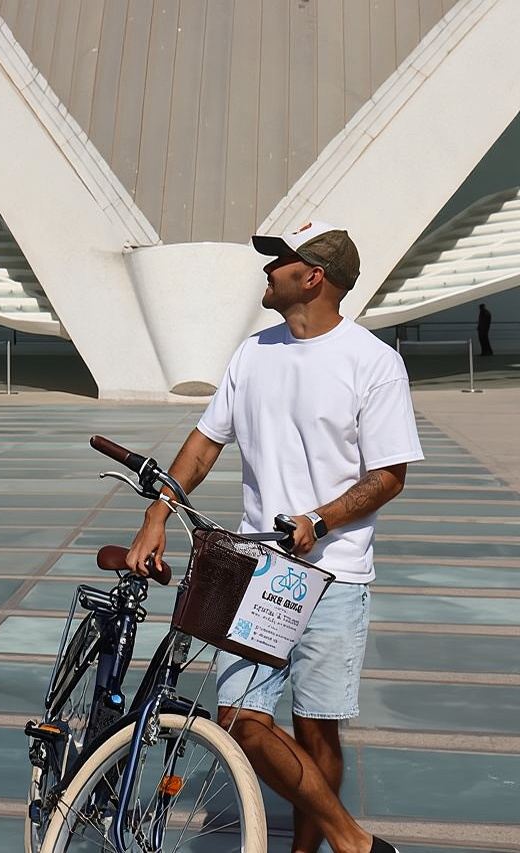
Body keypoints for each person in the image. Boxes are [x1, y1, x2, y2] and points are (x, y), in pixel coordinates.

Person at [126, 222, 421, 853]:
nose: (266, 271)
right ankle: (355, 843)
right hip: (257, 573)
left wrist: (323, 517)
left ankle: (308, 850)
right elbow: (205, 446)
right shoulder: (253, 352)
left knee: (318, 733)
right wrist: (158, 514)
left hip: (335, 573)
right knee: (239, 721)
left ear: (313, 276)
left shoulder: (372, 361)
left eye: (279, 261)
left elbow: (389, 474)